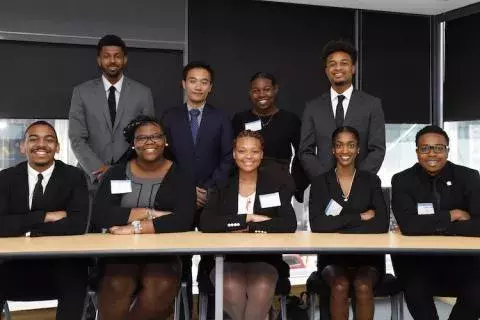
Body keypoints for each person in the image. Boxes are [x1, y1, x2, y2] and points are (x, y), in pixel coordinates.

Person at [91, 115, 195, 320]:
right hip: (119, 253)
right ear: (132, 144)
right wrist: (149, 214)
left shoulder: (181, 175)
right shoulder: (116, 173)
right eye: (142, 138)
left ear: (165, 141)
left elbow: (183, 219)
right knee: (116, 285)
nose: (149, 142)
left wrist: (132, 227)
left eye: (156, 136)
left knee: (160, 286)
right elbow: (101, 214)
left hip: (165, 254)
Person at [199, 130, 297, 320]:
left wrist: (244, 228)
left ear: (261, 154)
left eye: (254, 151)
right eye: (242, 151)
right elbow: (207, 222)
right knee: (231, 287)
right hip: (225, 260)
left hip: (265, 260)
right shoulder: (222, 185)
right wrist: (248, 218)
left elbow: (288, 224)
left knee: (261, 288)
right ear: (234, 154)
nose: (248, 157)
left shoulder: (275, 185)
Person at [161, 60, 234, 316]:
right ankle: (180, 312)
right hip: (178, 199)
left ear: (211, 87)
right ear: (184, 84)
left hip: (211, 199)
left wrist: (208, 189)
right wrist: (185, 191)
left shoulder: (221, 118)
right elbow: (163, 159)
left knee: (211, 260)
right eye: (193, 81)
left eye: (204, 82)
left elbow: (228, 158)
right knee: (176, 260)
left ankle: (210, 311)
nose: (198, 86)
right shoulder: (169, 117)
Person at [0, 121, 89, 319]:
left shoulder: (74, 177)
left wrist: (25, 228)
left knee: (77, 274)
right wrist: (44, 216)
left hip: (61, 264)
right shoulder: (5, 178)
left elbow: (77, 224)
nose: (41, 145)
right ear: (23, 146)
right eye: (34, 139)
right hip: (13, 265)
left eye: (49, 140)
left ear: (57, 147)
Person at [391, 125, 480, 320]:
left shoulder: (470, 177)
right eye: (425, 148)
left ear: (448, 150)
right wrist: (453, 215)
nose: (432, 154)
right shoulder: (402, 181)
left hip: (463, 262)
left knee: (477, 292)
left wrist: (435, 227)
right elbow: (409, 226)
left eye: (439, 148)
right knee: (415, 290)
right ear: (417, 152)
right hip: (418, 263)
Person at [309, 126, 388, 320]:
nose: (345, 151)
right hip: (332, 258)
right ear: (333, 149)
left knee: (362, 285)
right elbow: (318, 225)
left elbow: (381, 224)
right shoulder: (320, 183)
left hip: (369, 258)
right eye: (340, 145)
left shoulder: (371, 181)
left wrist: (336, 225)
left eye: (351, 145)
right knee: (339, 284)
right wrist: (359, 217)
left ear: (358, 149)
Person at [69, 34, 155, 191]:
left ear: (125, 60)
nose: (112, 61)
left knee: (126, 216)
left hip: (130, 177)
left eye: (117, 56)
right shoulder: (81, 92)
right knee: (92, 216)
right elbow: (77, 138)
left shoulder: (143, 93)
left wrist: (121, 170)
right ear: (99, 60)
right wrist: (99, 170)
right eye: (106, 56)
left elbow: (147, 139)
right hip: (91, 180)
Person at [299, 40, 385, 181]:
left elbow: (377, 150)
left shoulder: (372, 104)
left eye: (344, 63)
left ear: (353, 68)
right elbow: (305, 151)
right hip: (323, 186)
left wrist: (357, 180)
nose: (338, 68)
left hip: (361, 186)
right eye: (332, 64)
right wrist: (324, 180)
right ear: (326, 71)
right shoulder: (312, 107)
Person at [232, 72, 308, 202]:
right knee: (248, 219)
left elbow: (302, 154)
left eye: (267, 89)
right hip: (246, 184)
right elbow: (231, 154)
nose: (261, 94)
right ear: (250, 93)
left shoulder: (290, 119)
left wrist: (296, 185)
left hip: (279, 184)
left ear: (275, 89)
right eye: (256, 91)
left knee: (274, 220)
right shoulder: (240, 119)